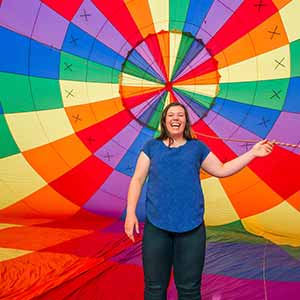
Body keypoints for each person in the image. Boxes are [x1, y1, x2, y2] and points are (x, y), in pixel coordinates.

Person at [124, 102, 274, 300]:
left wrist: (252, 153)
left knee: (189, 289)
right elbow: (137, 179)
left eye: (180, 115)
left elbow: (222, 170)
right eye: (171, 115)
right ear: (164, 121)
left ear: (186, 121)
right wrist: (130, 213)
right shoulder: (151, 147)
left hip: (191, 228)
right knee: (154, 288)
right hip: (157, 227)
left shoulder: (197, 147)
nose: (175, 118)